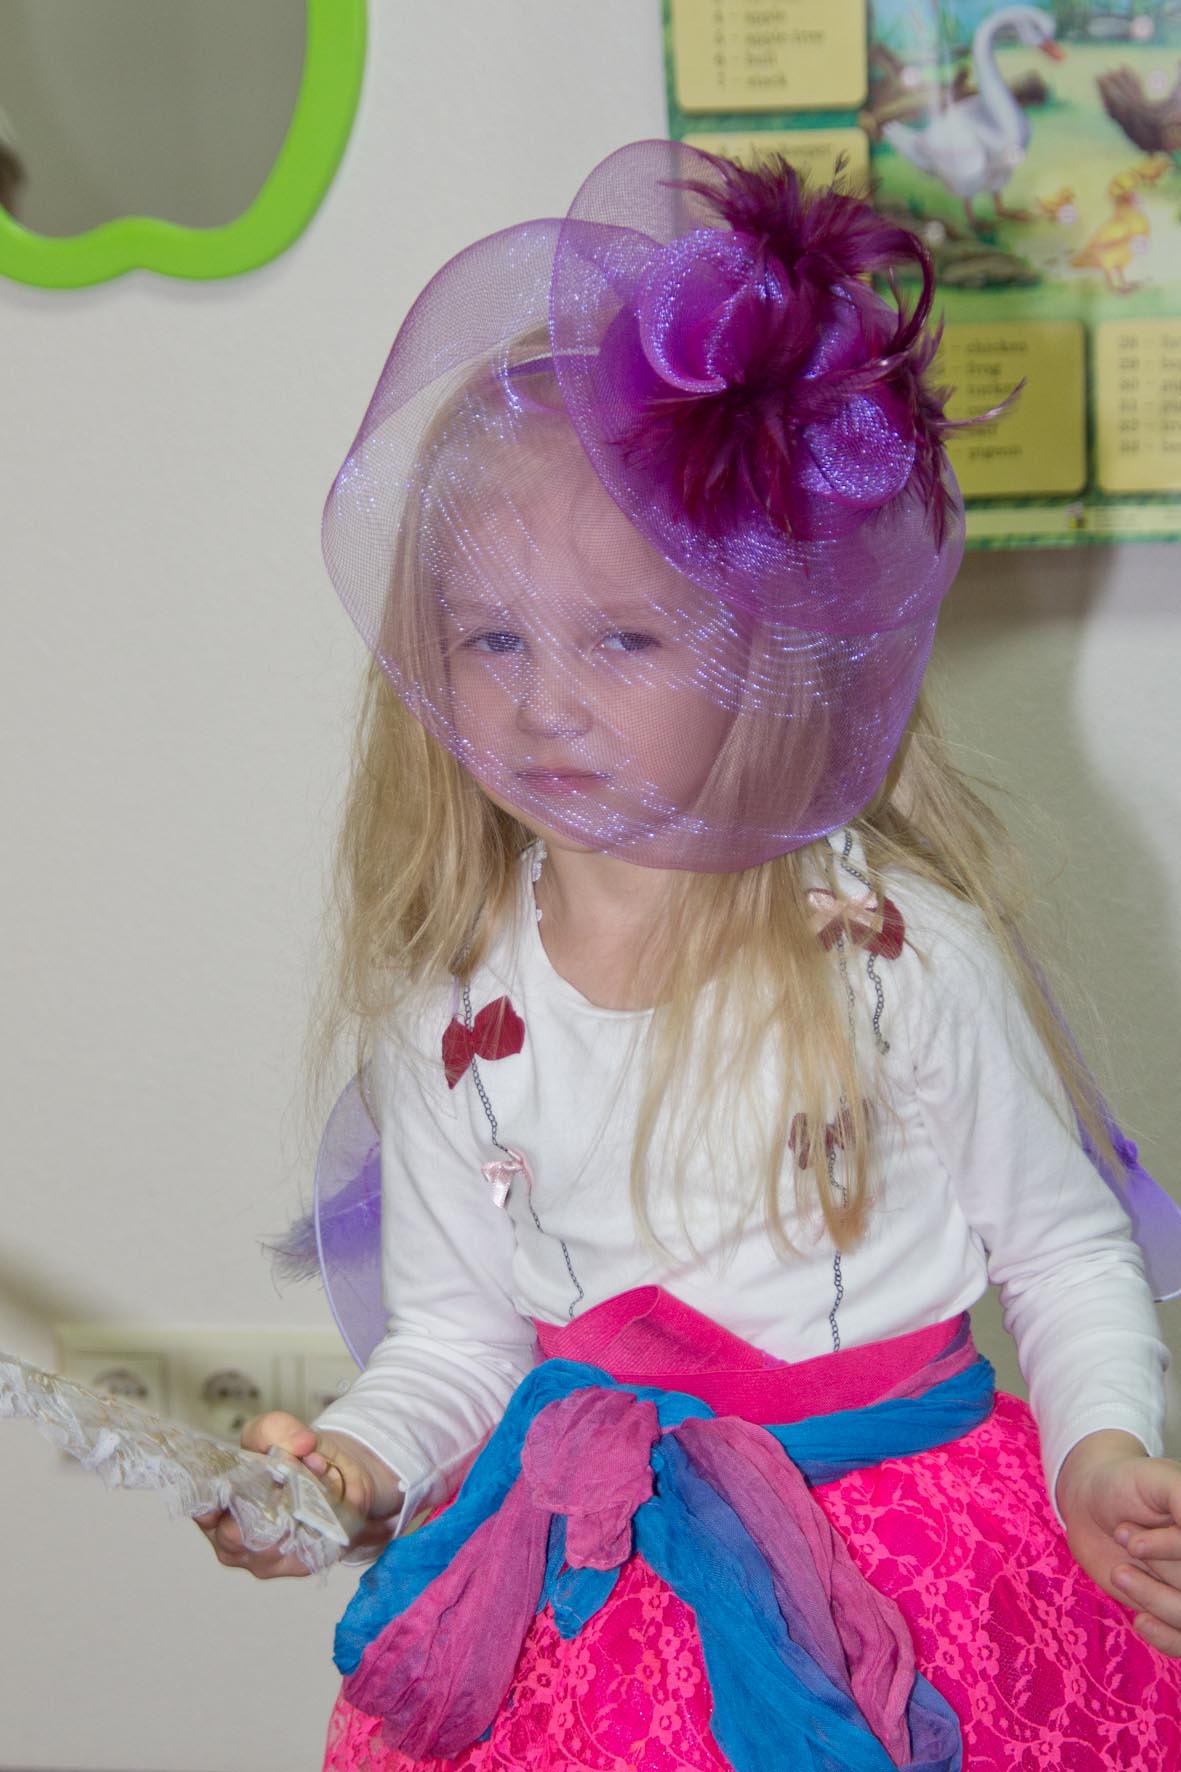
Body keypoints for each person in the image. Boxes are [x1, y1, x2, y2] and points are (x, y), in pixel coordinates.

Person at [197, 142, 1181, 1769]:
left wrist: (1097, 1449)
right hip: (598, 1587)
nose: (543, 702)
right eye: (490, 639)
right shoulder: (456, 1010)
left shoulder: (889, 955)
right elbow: (455, 1341)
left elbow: (1064, 1248)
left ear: (771, 654)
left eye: (623, 638)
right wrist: (350, 1470)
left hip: (912, 1564)